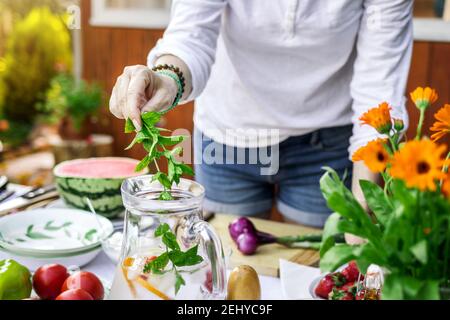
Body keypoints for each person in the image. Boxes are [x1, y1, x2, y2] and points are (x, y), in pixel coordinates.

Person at [109, 0, 413, 228]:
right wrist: (167, 78)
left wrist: (365, 203)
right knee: (229, 271)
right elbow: (192, 35)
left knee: (310, 270)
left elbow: (380, 85)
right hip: (228, 138)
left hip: (325, 144)